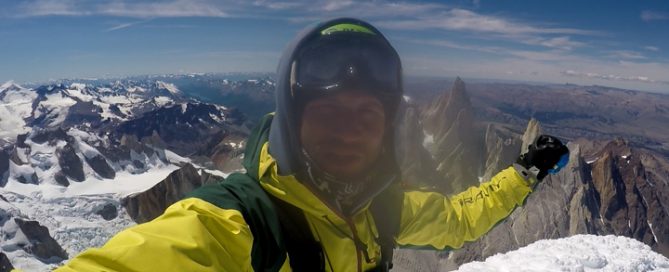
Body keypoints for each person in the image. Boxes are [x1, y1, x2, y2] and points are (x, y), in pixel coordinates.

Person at [55, 18, 569, 272]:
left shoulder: (381, 209)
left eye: (367, 114)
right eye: (326, 112)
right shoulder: (239, 225)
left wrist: (524, 173)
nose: (349, 131)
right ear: (290, 121)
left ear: (387, 129)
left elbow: (459, 219)